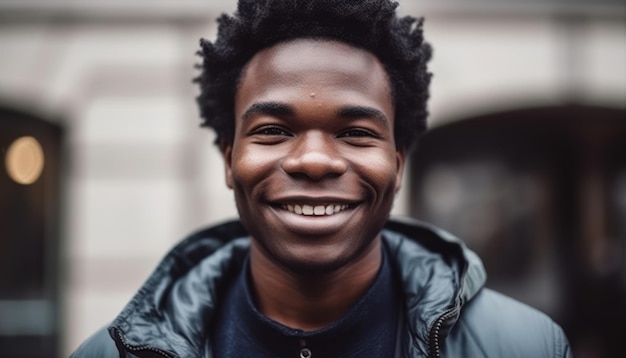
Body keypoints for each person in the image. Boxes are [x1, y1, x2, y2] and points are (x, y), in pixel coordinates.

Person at [72, 0, 572, 357]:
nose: (314, 160)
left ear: (397, 165)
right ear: (229, 160)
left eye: (355, 132)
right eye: (273, 130)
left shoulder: (528, 346)